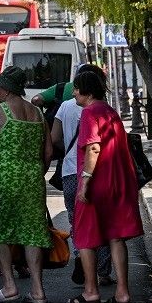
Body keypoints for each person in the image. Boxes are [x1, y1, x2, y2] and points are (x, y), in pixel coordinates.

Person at [67, 70, 144, 303]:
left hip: (98, 182)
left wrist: (85, 182)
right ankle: (123, 292)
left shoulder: (89, 112)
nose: (74, 93)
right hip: (119, 181)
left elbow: (93, 148)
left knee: (85, 238)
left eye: (77, 88)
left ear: (87, 91)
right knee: (116, 237)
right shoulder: (110, 111)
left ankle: (90, 291)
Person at [0, 66, 53, 303]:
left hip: (5, 178)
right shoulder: (38, 113)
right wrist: (36, 169)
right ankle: (38, 290)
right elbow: (48, 151)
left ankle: (9, 286)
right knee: (33, 232)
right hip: (33, 179)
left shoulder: (0, 111)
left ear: (7, 90)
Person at [51, 64, 113, 286]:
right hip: (99, 172)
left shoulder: (66, 107)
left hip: (70, 171)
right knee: (102, 221)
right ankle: (103, 271)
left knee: (76, 221)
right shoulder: (105, 108)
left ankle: (81, 257)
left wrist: (70, 148)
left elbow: (55, 138)